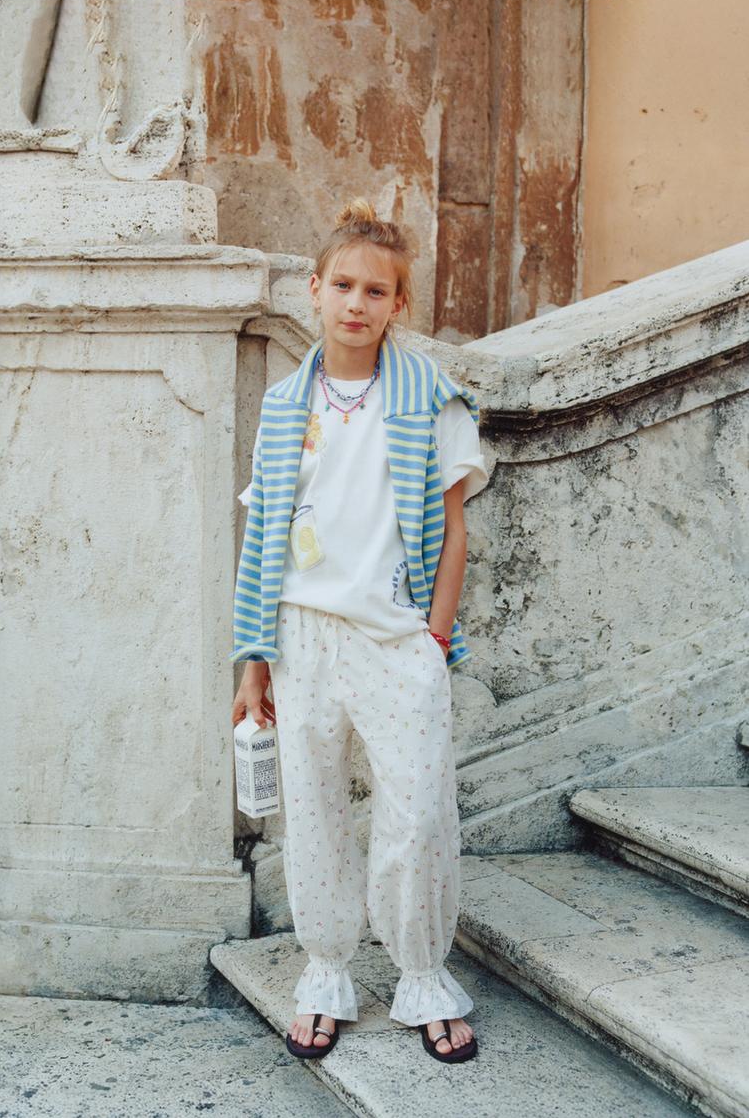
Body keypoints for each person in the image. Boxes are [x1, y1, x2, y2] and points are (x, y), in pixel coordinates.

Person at [231, 197, 489, 1064]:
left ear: (398, 304)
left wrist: (434, 638)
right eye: (342, 284)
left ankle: (423, 976)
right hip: (301, 635)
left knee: (417, 814)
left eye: (376, 290)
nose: (356, 302)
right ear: (314, 288)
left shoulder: (432, 400)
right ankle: (327, 973)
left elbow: (454, 530)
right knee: (313, 812)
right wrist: (254, 662)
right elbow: (264, 534)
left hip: (396, 638)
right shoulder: (283, 406)